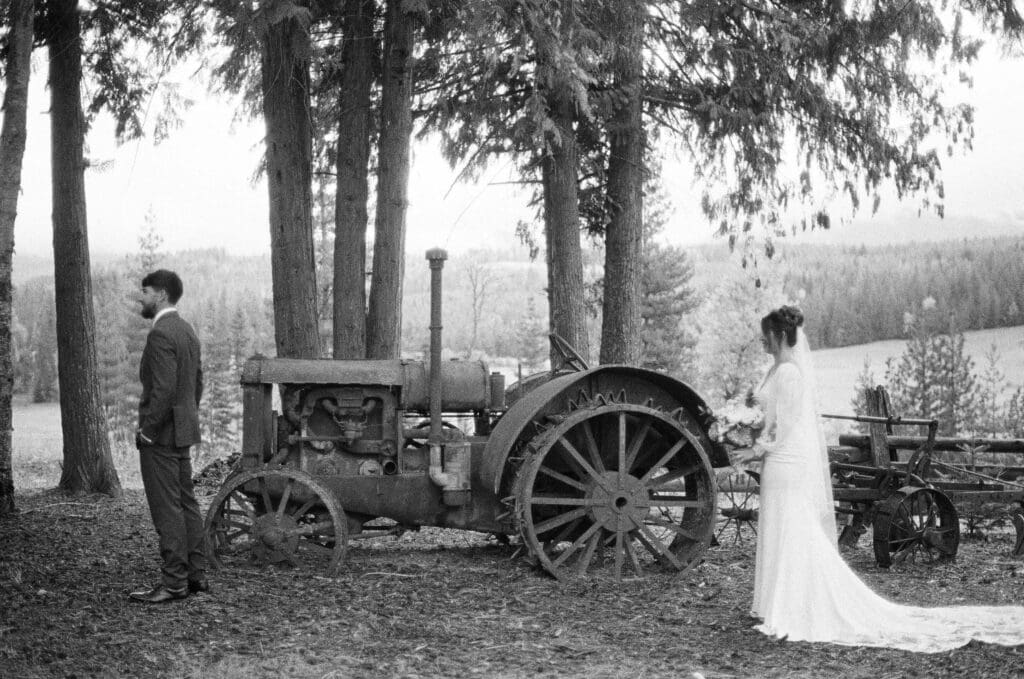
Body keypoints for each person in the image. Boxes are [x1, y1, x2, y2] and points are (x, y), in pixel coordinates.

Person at [729, 305, 1024, 652]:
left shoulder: (790, 374)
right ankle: (774, 601)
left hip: (785, 459)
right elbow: (766, 415)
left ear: (779, 335)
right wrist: (742, 427)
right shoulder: (773, 371)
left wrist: (757, 449)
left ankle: (796, 605)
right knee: (778, 527)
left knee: (794, 529)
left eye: (765, 335)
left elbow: (789, 424)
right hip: (775, 461)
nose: (761, 340)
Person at [129, 269, 208, 603]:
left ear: (160, 294)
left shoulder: (161, 333)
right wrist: (184, 418)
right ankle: (196, 578)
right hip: (183, 431)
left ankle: (174, 583)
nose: (141, 297)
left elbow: (162, 390)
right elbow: (197, 383)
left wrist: (148, 432)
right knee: (186, 503)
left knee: (167, 510)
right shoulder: (187, 331)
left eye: (144, 291)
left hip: (161, 436)